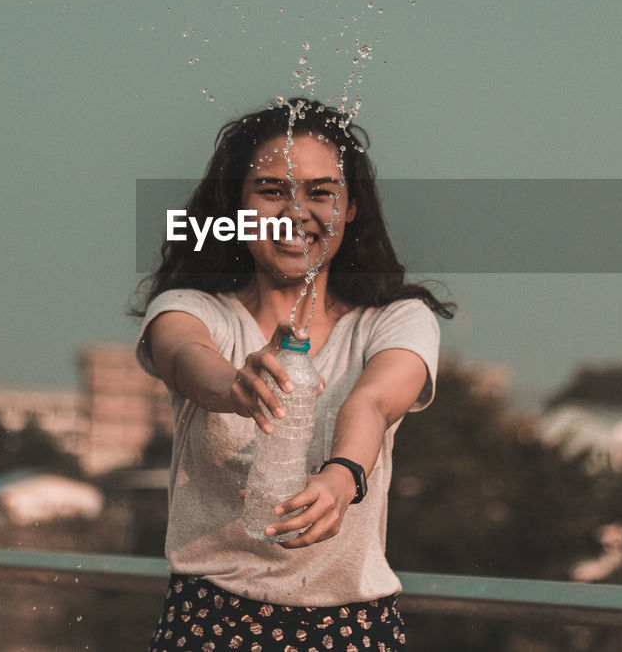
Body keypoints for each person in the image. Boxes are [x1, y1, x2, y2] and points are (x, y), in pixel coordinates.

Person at [131, 97, 454, 652]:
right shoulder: (193, 308)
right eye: (272, 191)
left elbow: (373, 402)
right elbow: (187, 358)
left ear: (351, 209)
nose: (296, 212)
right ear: (234, 205)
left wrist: (343, 474)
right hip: (208, 624)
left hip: (353, 628)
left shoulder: (396, 320)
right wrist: (234, 387)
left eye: (321, 192)